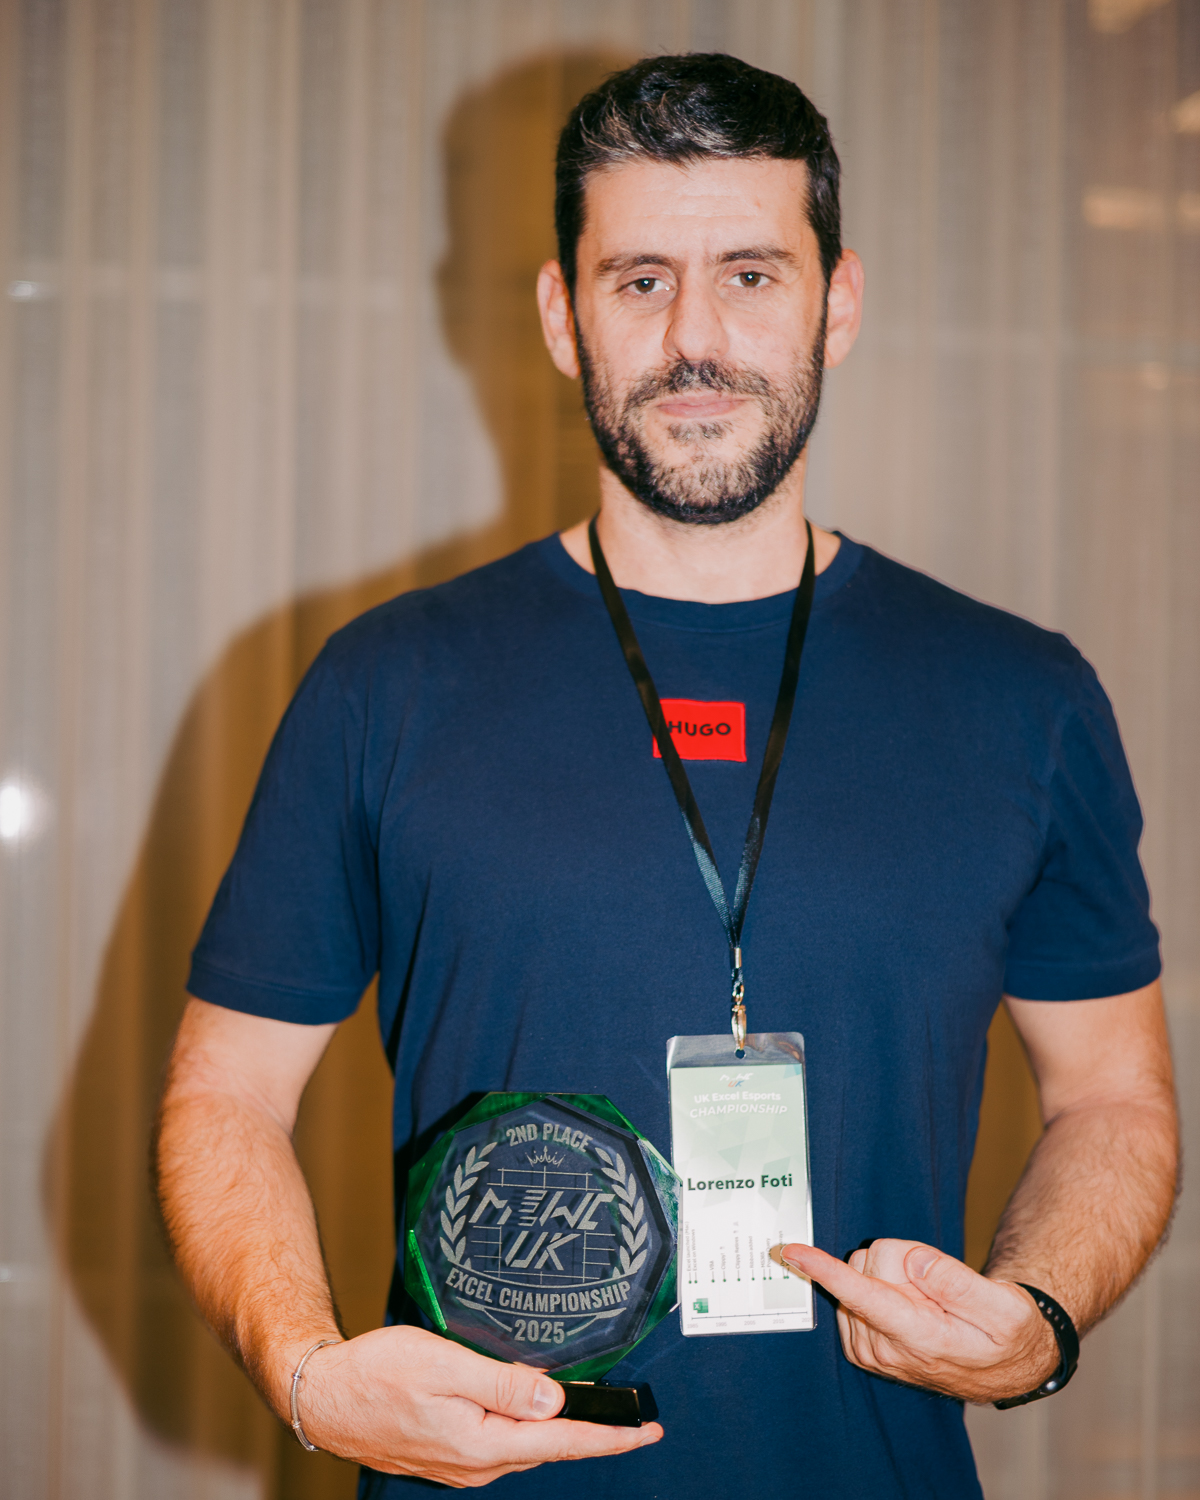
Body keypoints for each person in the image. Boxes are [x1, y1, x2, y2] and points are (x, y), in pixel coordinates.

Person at [154, 54, 1178, 1498]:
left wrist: (1045, 1318)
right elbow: (226, 1097)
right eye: (640, 281)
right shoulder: (383, 686)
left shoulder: (1025, 698)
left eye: (752, 274)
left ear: (842, 301)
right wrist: (308, 1374)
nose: (697, 338)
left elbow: (1112, 1100)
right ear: (563, 320)